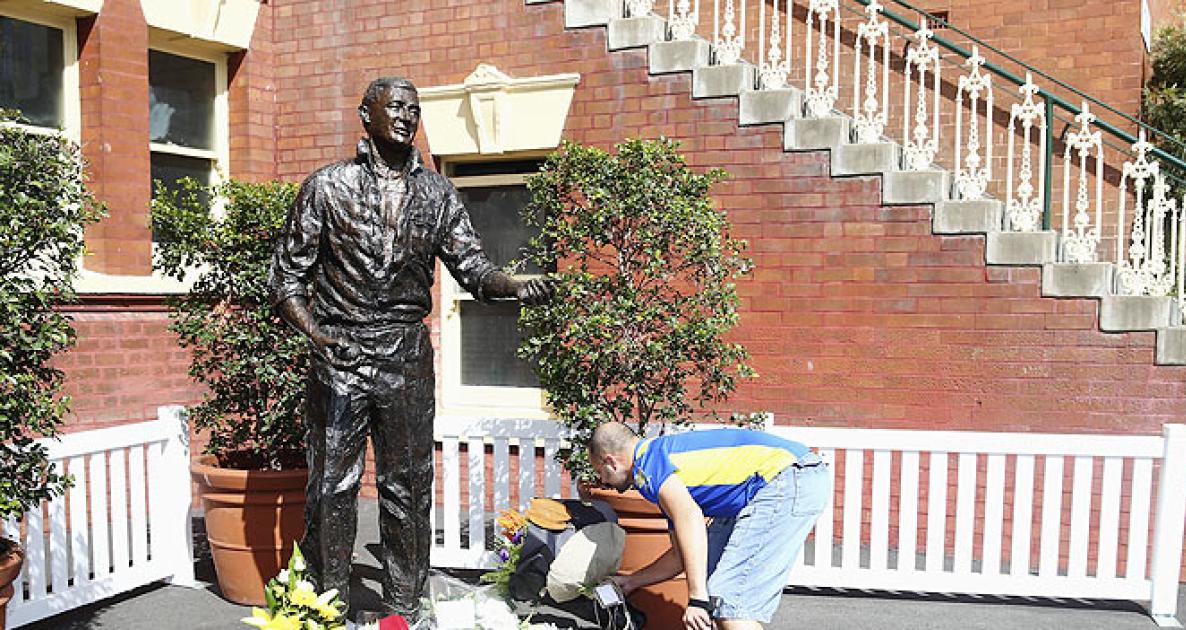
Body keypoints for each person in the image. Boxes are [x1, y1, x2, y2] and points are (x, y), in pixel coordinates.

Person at [268, 76, 553, 619]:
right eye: (395, 107)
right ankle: (326, 607)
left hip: (405, 356)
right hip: (341, 353)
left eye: (413, 109)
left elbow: (473, 268)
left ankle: (404, 608)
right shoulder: (326, 187)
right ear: (366, 115)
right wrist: (319, 335)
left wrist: (513, 286)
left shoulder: (438, 194)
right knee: (331, 487)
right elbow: (286, 281)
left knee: (409, 487)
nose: (405, 116)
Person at [588, 422, 830, 630]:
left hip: (785, 478)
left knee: (731, 600)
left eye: (601, 472)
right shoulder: (659, 461)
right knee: (713, 581)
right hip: (776, 481)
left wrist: (697, 599)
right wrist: (632, 581)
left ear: (611, 461)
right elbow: (679, 555)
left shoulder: (648, 466)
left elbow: (690, 517)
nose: (603, 481)